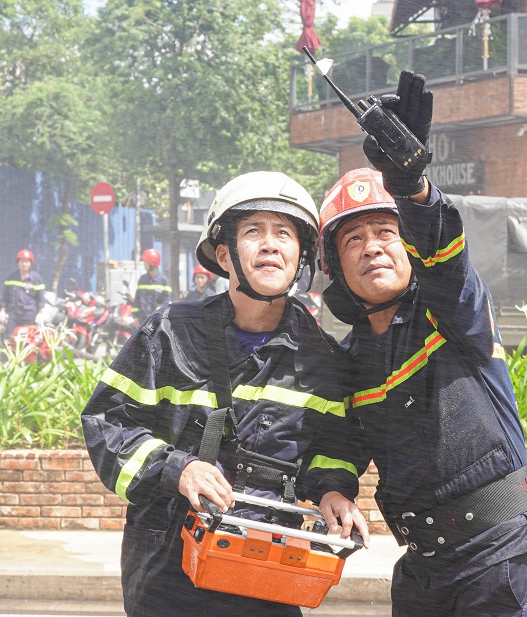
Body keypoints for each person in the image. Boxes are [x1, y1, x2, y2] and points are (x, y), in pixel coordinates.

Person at [317, 70, 527, 617]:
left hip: (501, 556)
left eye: (386, 232)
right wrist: (333, 487)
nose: (372, 248)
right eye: (354, 238)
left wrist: (411, 189)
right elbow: (341, 441)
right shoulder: (350, 361)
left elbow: (445, 257)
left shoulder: (450, 312)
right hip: (423, 572)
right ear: (335, 266)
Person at [81, 171, 368, 617]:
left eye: (284, 234)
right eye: (253, 231)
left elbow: (336, 447)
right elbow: (108, 422)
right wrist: (177, 468)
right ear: (223, 254)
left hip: (267, 564)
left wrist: (333, 490)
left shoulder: (325, 361)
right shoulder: (170, 334)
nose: (270, 245)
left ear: (301, 256)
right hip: (167, 568)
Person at [0, 249, 45, 343]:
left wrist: (40, 313)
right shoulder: (11, 278)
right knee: (10, 340)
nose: (24, 264)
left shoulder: (36, 279)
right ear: (18, 263)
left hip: (29, 315)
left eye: (26, 262)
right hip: (14, 315)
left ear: (30, 263)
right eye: (22, 261)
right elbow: (5, 296)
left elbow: (40, 298)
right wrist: (2, 311)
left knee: (28, 341)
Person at [132, 248, 171, 322]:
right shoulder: (142, 279)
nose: (144, 264)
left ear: (152, 264)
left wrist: (158, 313)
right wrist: (135, 316)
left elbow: (166, 301)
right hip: (142, 320)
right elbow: (137, 298)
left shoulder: (164, 281)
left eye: (145, 262)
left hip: (157, 320)